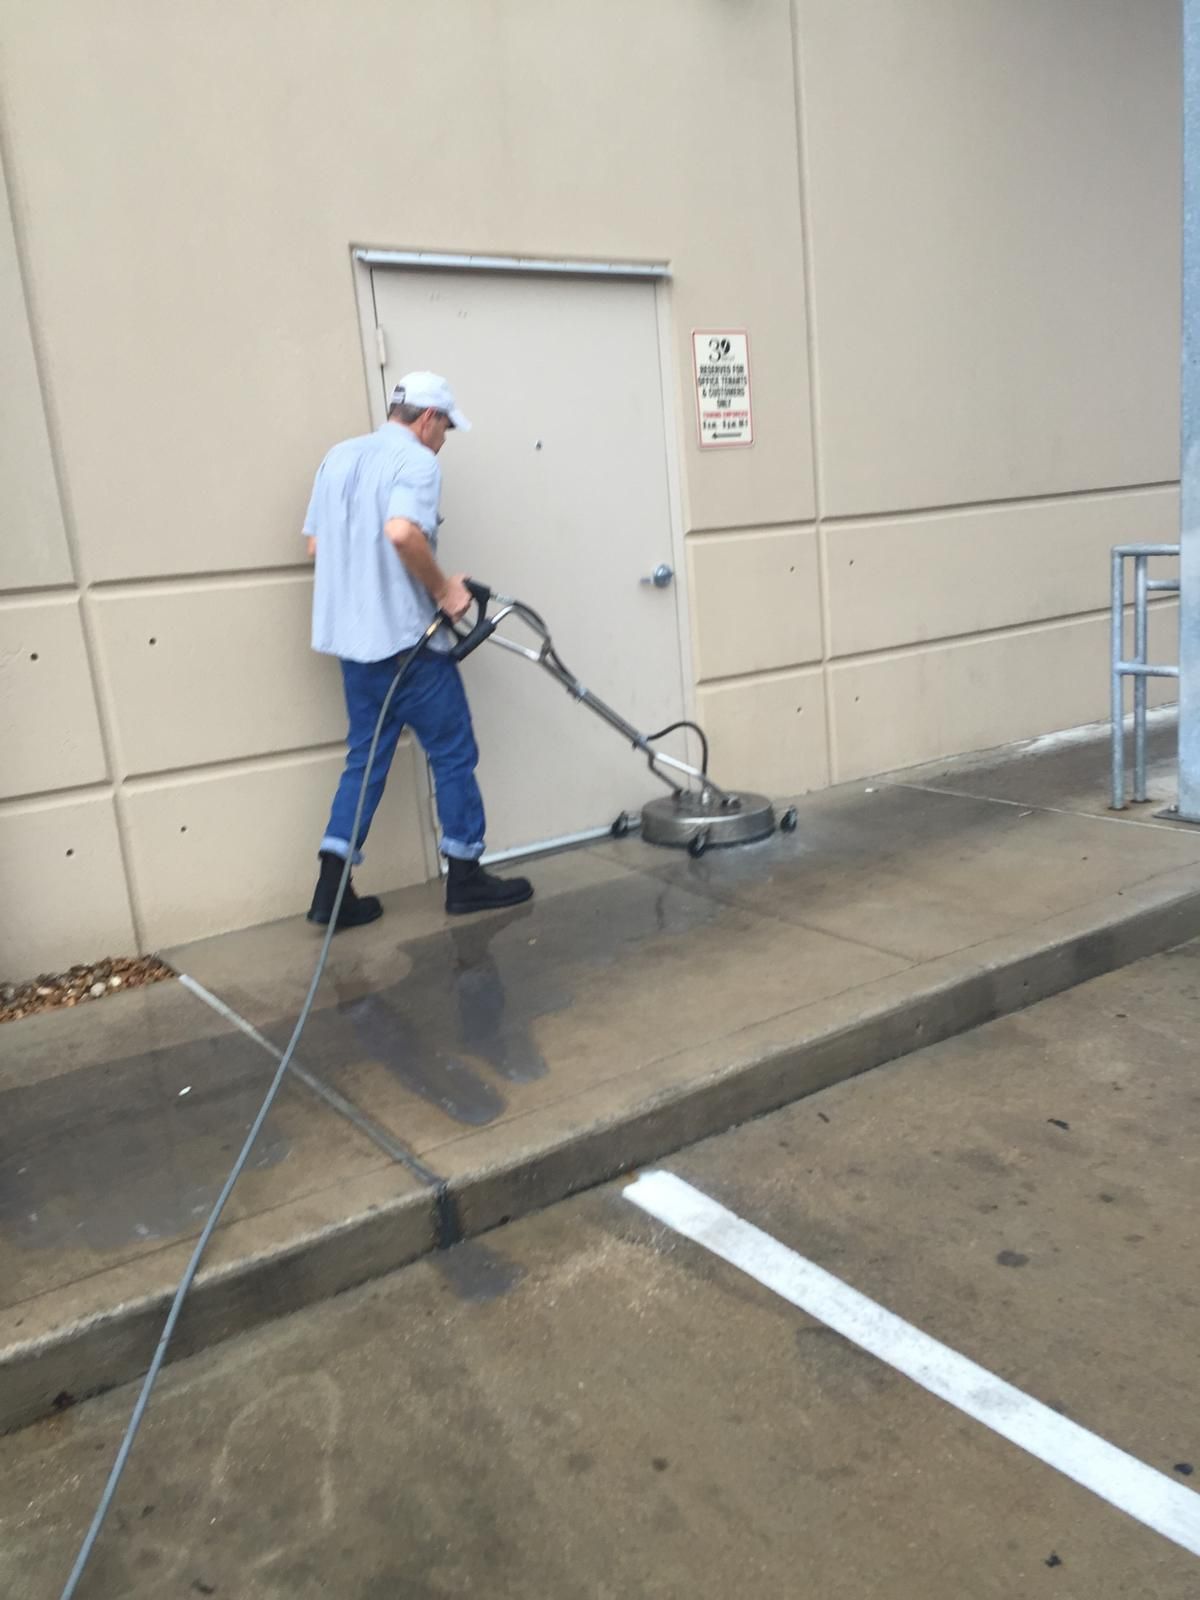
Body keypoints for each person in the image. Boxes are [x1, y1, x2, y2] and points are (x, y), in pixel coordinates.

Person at [302, 371, 533, 926]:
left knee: (366, 759)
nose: (446, 437)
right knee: (452, 753)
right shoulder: (419, 463)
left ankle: (331, 891)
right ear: (427, 418)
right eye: (446, 426)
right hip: (409, 644)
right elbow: (403, 533)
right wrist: (444, 589)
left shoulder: (338, 456)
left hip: (353, 646)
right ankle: (466, 877)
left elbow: (317, 545)